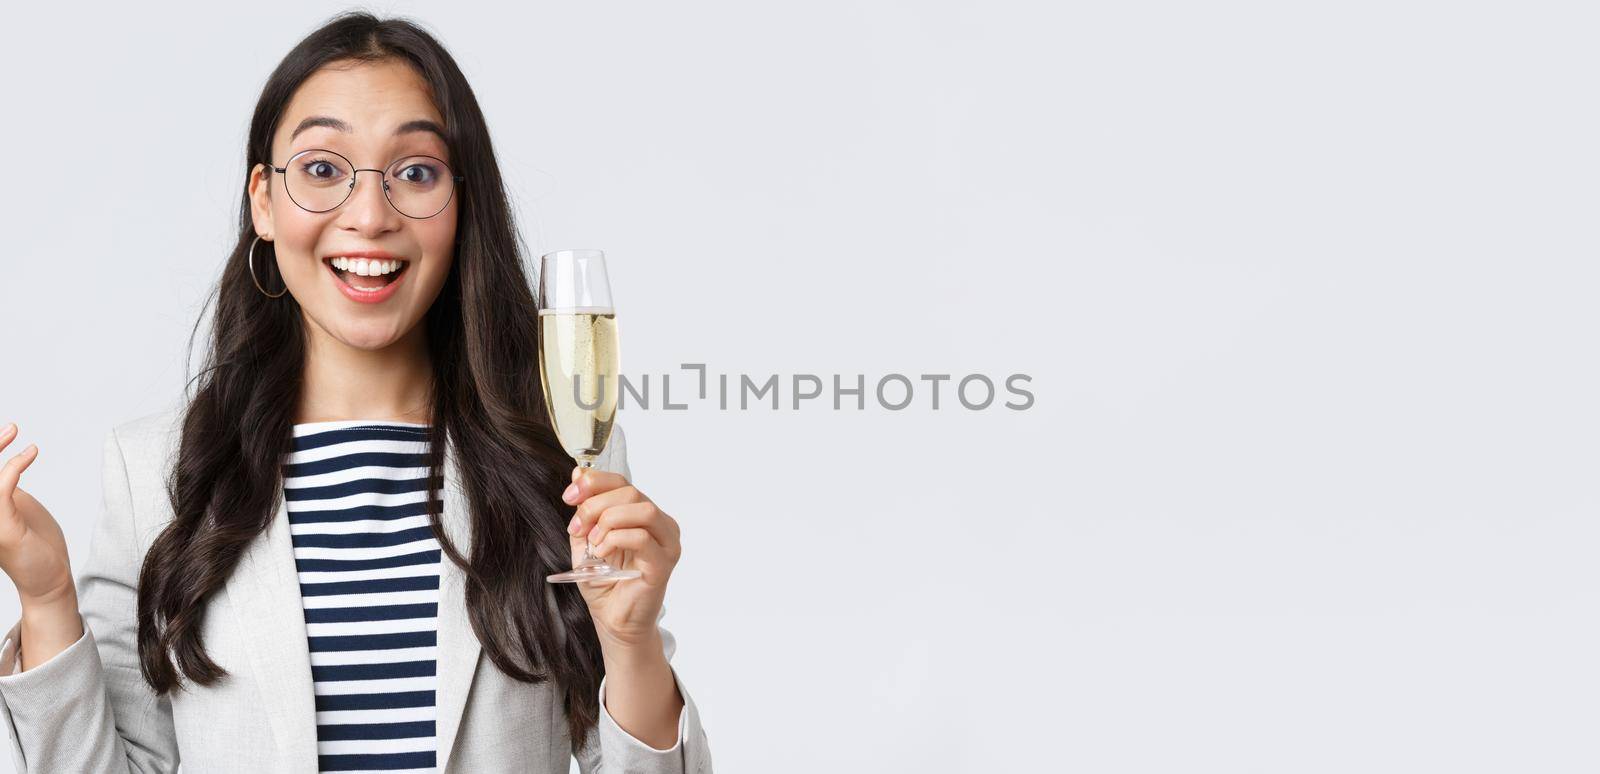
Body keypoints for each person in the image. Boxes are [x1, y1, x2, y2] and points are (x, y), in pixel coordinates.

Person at [0, 12, 711, 773]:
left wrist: (631, 646)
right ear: (264, 202)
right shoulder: (156, 473)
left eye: (415, 172)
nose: (370, 217)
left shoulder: (559, 464)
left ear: (461, 205)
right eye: (322, 169)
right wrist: (45, 602)